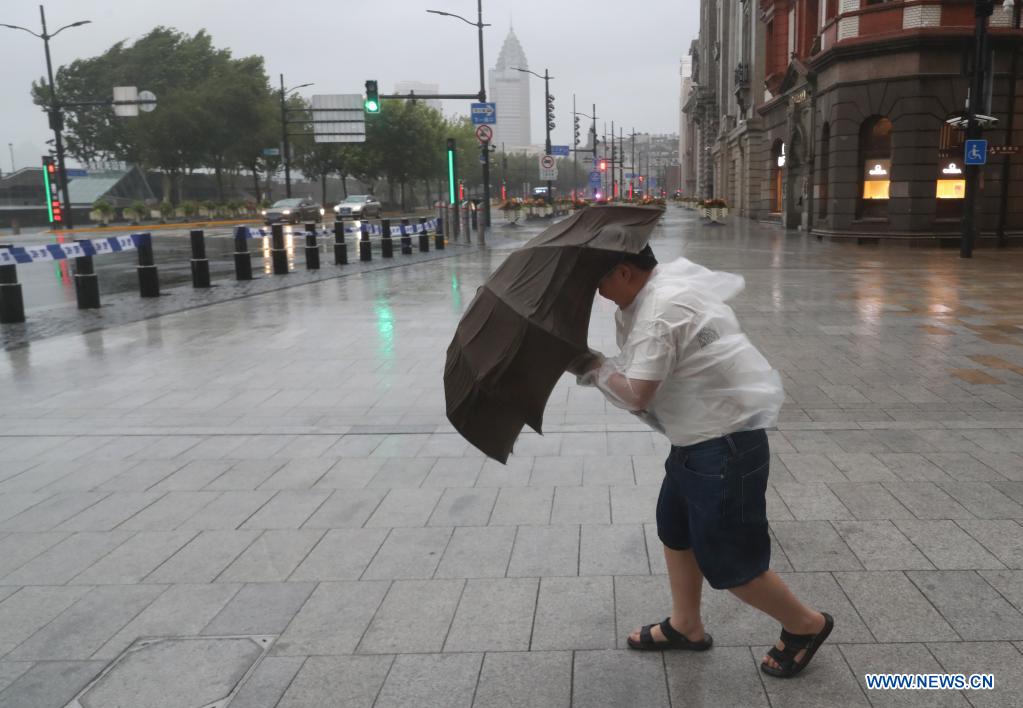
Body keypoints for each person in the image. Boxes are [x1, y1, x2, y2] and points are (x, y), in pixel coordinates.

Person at [570, 245, 833, 679]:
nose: (597, 292)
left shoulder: (660, 311)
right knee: (675, 531)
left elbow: (637, 393)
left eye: (599, 281)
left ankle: (806, 625)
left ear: (623, 271)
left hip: (722, 445)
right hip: (697, 439)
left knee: (730, 562)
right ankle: (686, 624)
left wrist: (590, 365)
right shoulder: (655, 293)